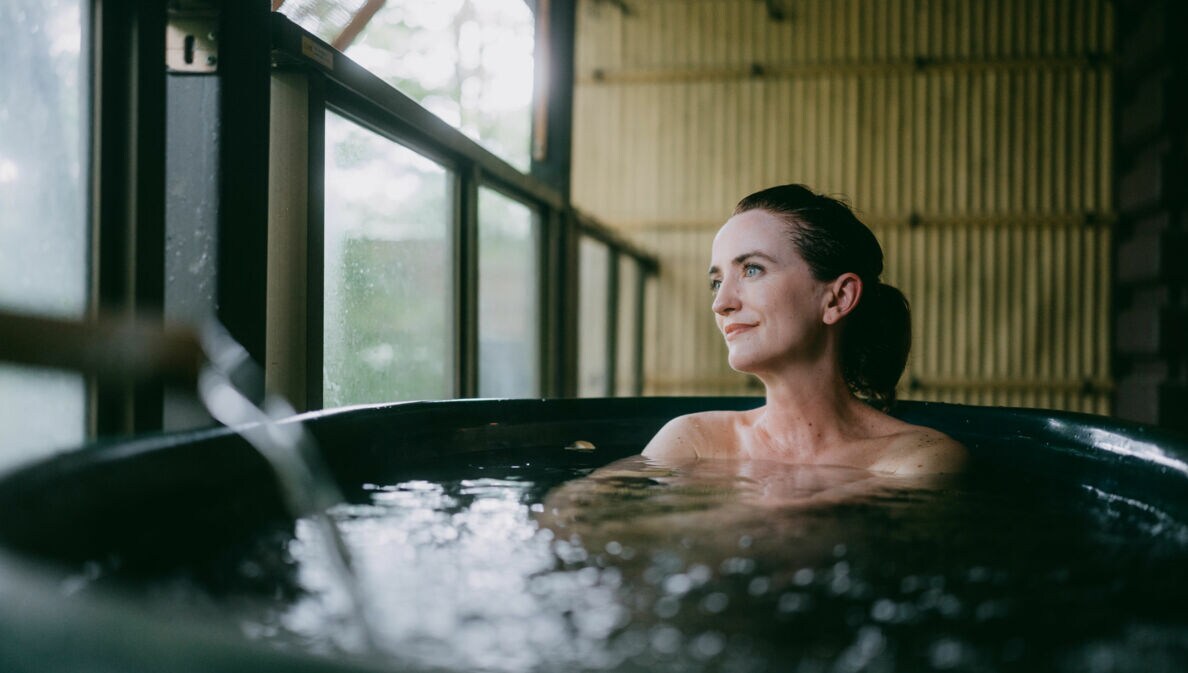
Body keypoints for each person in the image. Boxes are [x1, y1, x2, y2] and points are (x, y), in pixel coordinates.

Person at [643, 184, 968, 476]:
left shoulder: (917, 461)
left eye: (752, 269)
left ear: (837, 298)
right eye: (716, 282)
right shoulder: (692, 440)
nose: (721, 303)